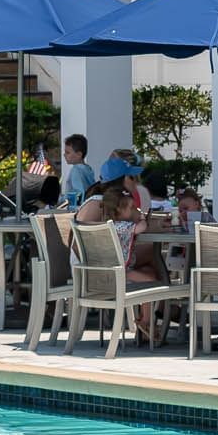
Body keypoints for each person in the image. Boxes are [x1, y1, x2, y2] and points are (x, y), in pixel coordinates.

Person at [76, 156, 164, 346]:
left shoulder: (112, 204)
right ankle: (161, 309)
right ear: (123, 181)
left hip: (102, 266)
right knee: (152, 257)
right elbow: (81, 243)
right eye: (132, 178)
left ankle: (152, 315)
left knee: (150, 264)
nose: (136, 183)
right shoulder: (100, 205)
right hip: (95, 270)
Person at [61, 134, 97, 206]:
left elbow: (79, 194)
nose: (64, 155)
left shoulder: (76, 170)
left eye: (68, 152)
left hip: (76, 209)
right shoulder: (88, 169)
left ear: (79, 154)